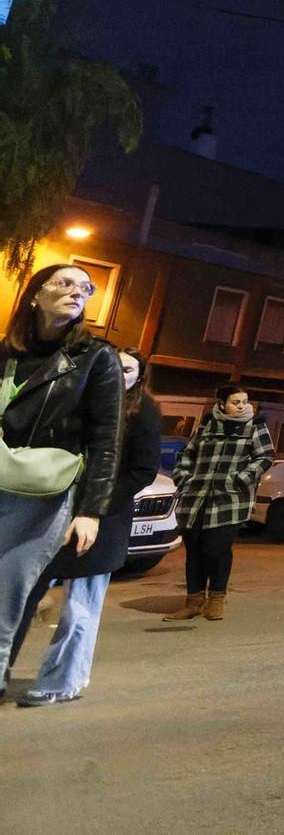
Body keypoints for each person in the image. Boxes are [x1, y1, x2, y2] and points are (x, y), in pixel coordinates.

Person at [0, 279, 127, 703]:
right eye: (65, 283)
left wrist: (90, 510)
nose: (79, 291)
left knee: (7, 591)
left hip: (41, 495)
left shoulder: (96, 357)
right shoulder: (7, 353)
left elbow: (106, 439)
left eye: (87, 288)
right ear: (35, 294)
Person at [163, 385, 274, 622]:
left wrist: (241, 479)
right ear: (222, 403)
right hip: (197, 496)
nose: (242, 406)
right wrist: (184, 478)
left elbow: (265, 457)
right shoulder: (207, 425)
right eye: (236, 402)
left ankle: (216, 598)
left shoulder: (255, 426)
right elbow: (187, 454)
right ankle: (193, 601)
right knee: (194, 550)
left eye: (245, 401)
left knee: (217, 549)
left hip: (230, 499)